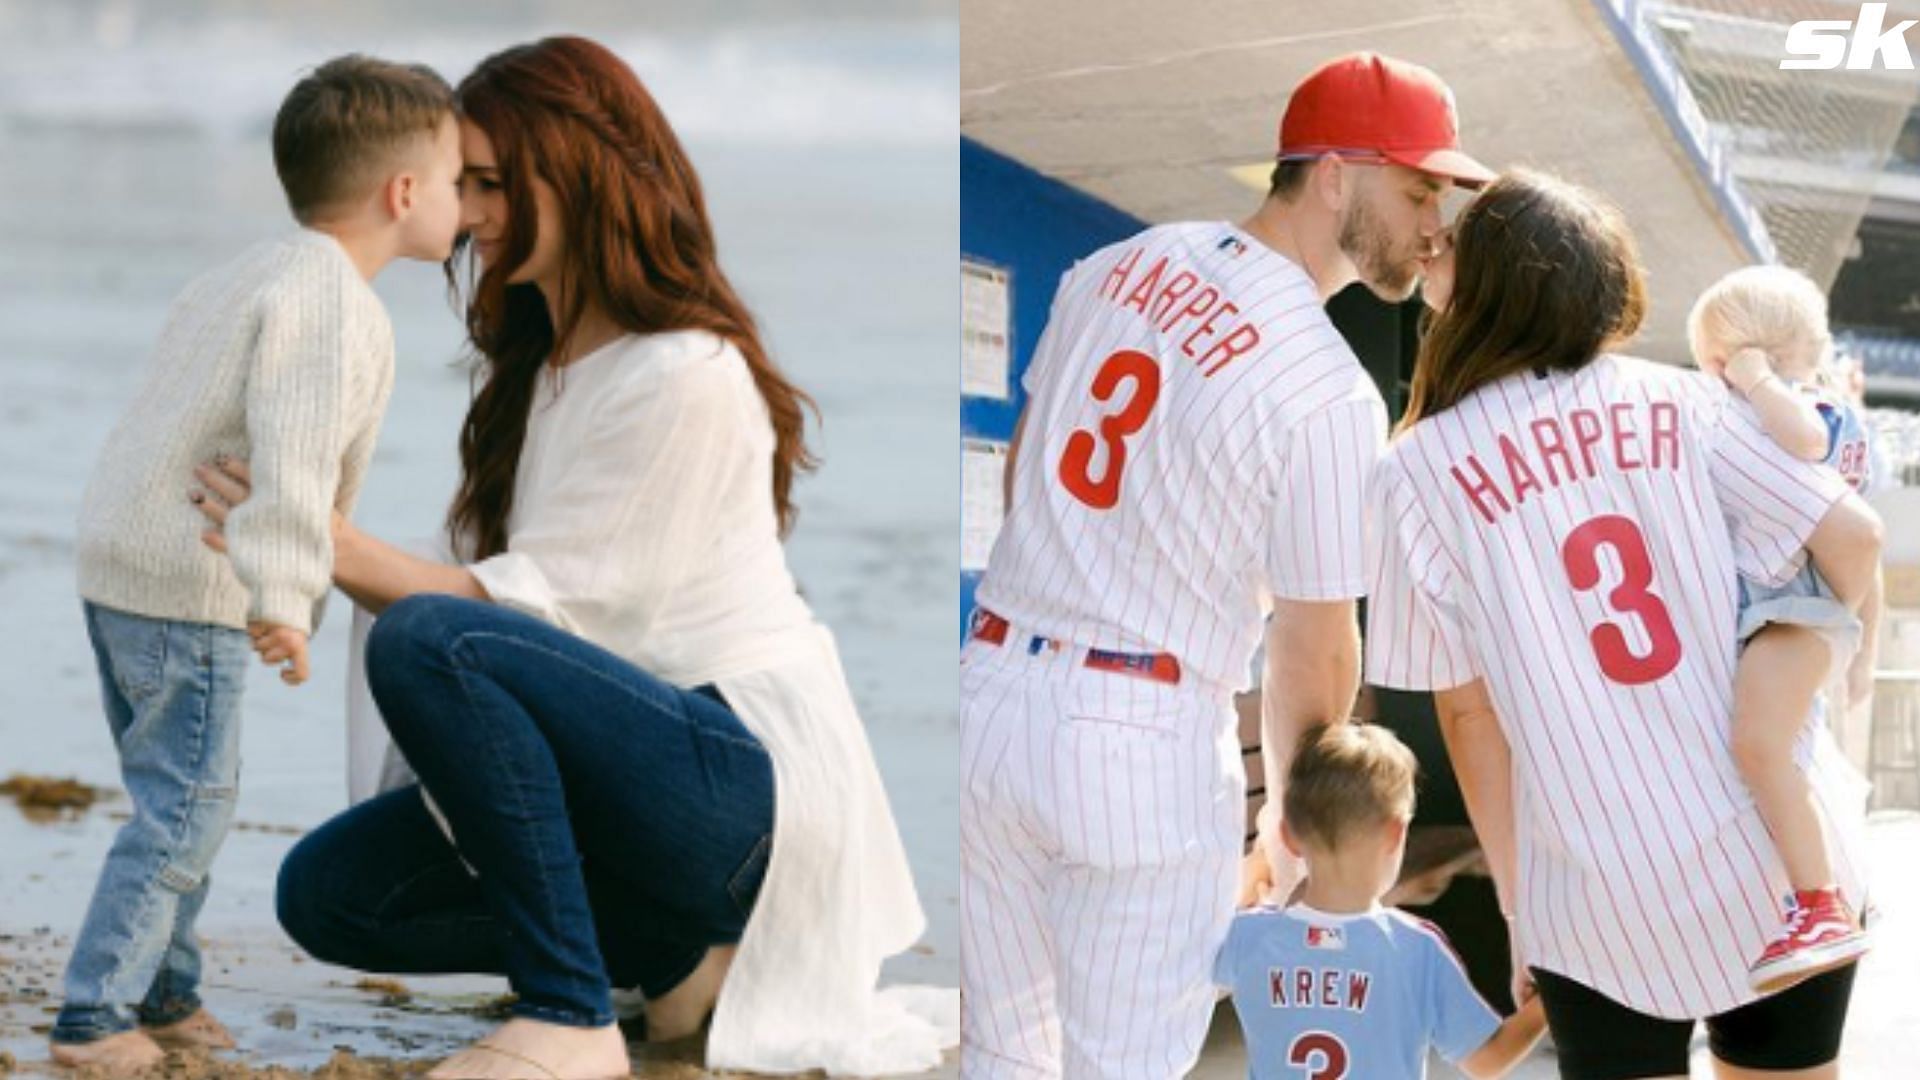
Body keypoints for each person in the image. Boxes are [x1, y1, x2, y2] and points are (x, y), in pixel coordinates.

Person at [190, 36, 949, 1080]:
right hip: (634, 766)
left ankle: (570, 1015)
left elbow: (535, 624)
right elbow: (508, 617)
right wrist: (282, 527)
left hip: (741, 785)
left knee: (430, 639)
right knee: (331, 895)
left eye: (493, 183)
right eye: (464, 185)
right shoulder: (538, 367)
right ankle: (672, 956)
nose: (472, 214)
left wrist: (316, 538)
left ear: (579, 176)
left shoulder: (686, 370)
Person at [960, 52, 1492, 1078]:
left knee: (1001, 1056)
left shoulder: (1115, 265)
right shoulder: (1327, 383)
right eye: (1419, 187)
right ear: (1333, 171)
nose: (1437, 222)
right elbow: (1312, 642)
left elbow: (1028, 469)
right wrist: (1298, 830)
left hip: (991, 687)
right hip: (1135, 730)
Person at [1368, 169, 1880, 1080]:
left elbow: (1468, 715)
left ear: (1489, 287)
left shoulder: (1416, 470)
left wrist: (1522, 909)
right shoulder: (1693, 403)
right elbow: (1848, 535)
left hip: (1594, 896)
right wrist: (1832, 673)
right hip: (1767, 861)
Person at [53, 56, 462, 1072]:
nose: (467, 204)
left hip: (119, 562)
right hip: (190, 580)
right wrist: (283, 596)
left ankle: (167, 992)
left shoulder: (248, 269)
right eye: (460, 180)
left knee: (172, 793)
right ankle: (94, 1017)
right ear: (403, 192)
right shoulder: (330, 302)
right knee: (186, 806)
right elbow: (289, 459)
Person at [1686, 266, 1881, 992]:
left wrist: (1757, 381)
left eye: (1717, 362)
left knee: (1759, 747)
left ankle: (1818, 903)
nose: (1717, 381)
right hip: (1806, 615)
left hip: (1793, 613)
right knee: (1778, 754)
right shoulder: (1809, 415)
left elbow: (1803, 446)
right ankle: (1821, 895)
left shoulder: (1809, 411)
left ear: (1754, 353)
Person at [1215, 723, 1546, 1079]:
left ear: (1289, 836)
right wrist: (1548, 1002)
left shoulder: (1247, 936)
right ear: (1396, 833)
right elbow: (1485, 1061)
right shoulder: (1417, 948)